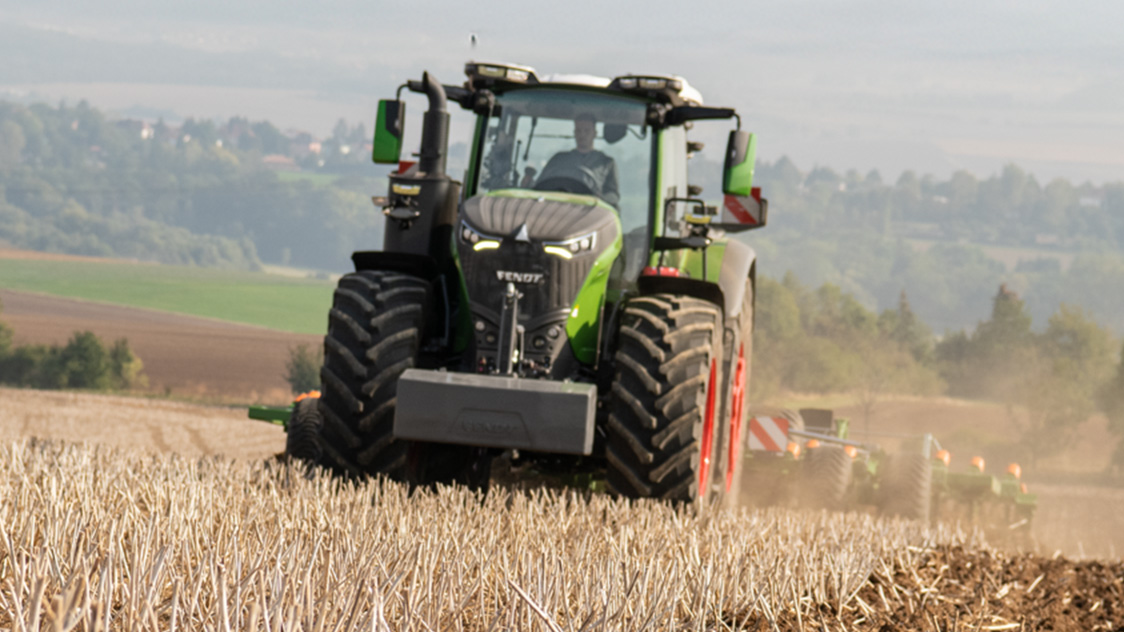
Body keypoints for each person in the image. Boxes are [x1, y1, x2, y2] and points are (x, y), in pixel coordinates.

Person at [536, 113, 620, 208]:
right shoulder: (559, 159)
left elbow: (613, 196)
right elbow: (540, 186)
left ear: (595, 133)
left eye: (586, 131)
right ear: (574, 133)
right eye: (578, 130)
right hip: (556, 210)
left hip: (591, 215)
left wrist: (600, 199)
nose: (582, 135)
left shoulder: (606, 163)